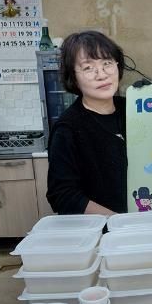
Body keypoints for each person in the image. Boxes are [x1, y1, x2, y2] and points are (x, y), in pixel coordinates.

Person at [47, 30, 127, 215]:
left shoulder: (133, 109)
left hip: (147, 222)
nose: (101, 75)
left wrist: (150, 102)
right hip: (103, 229)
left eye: (107, 63)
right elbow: (63, 196)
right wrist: (119, 222)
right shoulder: (68, 129)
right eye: (88, 68)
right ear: (73, 77)